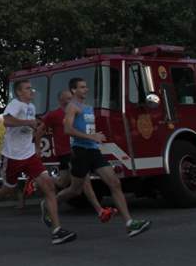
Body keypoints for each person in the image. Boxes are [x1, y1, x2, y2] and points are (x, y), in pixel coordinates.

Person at [0, 80, 75, 245]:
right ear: (19, 92)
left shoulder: (31, 107)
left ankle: (57, 230)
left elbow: (32, 128)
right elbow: (7, 121)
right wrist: (27, 122)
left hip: (29, 155)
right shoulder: (15, 104)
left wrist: (36, 144)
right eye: (28, 89)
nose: (32, 91)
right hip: (13, 156)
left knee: (49, 187)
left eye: (32, 88)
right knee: (7, 191)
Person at [57, 77, 151, 238]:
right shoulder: (72, 107)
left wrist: (95, 137)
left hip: (94, 151)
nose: (86, 90)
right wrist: (91, 137)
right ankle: (51, 203)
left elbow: (87, 127)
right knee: (75, 189)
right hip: (80, 152)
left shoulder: (88, 107)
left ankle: (130, 223)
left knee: (114, 182)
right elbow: (67, 130)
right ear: (74, 90)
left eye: (86, 87)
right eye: (82, 87)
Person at [41, 87, 112, 222]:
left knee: (66, 183)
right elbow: (40, 130)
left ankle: (44, 191)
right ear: (60, 100)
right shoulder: (53, 115)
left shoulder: (77, 111)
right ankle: (100, 210)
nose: (70, 100)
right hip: (65, 152)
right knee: (84, 183)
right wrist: (37, 148)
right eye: (68, 98)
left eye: (71, 98)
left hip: (77, 150)